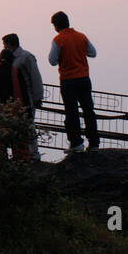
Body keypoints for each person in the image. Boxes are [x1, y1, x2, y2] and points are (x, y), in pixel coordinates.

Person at [49, 11, 99, 152]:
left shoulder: (58, 40)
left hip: (68, 80)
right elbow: (93, 53)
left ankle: (76, 143)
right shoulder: (81, 36)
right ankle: (94, 142)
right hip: (84, 78)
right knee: (88, 110)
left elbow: (52, 61)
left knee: (72, 112)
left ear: (56, 25)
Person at [0, 48, 35, 160]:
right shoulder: (16, 71)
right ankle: (21, 160)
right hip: (15, 109)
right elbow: (24, 91)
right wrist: (28, 110)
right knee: (18, 138)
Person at [3, 33, 43, 157]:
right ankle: (24, 153)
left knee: (28, 123)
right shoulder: (16, 58)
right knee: (21, 124)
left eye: (5, 45)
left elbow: (35, 77)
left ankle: (33, 153)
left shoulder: (26, 57)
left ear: (10, 44)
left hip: (28, 96)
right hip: (17, 97)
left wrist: (37, 97)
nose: (4, 47)